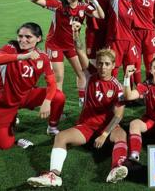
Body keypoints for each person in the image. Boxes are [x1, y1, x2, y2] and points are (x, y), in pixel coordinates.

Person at [27, 49, 129, 187]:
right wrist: (76, 35)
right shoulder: (91, 75)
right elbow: (80, 52)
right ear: (96, 64)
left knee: (121, 134)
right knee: (60, 137)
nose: (103, 67)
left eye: (106, 64)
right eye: (100, 63)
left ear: (113, 65)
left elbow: (118, 115)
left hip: (106, 127)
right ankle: (53, 175)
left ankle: (116, 167)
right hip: (87, 125)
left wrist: (104, 135)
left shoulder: (118, 88)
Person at [0, 22, 66, 150]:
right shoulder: (11, 47)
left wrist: (47, 101)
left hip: (25, 96)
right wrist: (24, 56)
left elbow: (52, 83)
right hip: (1, 102)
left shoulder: (43, 57)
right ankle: (10, 119)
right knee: (4, 145)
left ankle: (52, 127)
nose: (23, 40)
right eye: (20, 36)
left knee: (58, 96)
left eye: (28, 37)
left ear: (38, 39)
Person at [29, 0, 104, 106]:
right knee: (59, 78)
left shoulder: (83, 6)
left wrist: (95, 1)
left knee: (82, 73)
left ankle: (82, 101)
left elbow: (101, 15)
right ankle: (58, 106)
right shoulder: (58, 4)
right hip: (55, 46)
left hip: (72, 45)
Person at [108, 0, 141, 81]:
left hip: (130, 41)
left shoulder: (135, 3)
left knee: (130, 68)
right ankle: (112, 95)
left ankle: (131, 95)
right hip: (115, 40)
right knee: (113, 70)